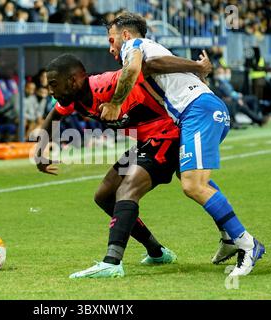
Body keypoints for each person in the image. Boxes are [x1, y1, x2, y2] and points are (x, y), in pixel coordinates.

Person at [101, 13, 265, 277]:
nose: (111, 48)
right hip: (200, 112)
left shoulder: (134, 46)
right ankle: (227, 237)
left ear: (126, 35)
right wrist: (196, 67)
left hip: (198, 112)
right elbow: (154, 65)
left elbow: (133, 70)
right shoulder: (152, 52)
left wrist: (115, 103)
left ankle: (247, 243)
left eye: (112, 40)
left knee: (192, 185)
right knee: (188, 175)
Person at [35, 54, 180, 278]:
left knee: (126, 190)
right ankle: (157, 252)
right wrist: (39, 152)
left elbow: (141, 70)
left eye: (53, 84)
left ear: (73, 80)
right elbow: (53, 116)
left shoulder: (107, 84)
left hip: (167, 136)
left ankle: (112, 262)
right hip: (145, 142)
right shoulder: (72, 99)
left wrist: (196, 68)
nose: (50, 91)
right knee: (104, 195)